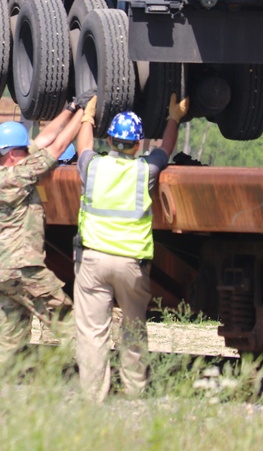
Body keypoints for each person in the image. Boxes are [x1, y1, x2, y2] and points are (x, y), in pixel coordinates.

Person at [0, 99, 86, 395]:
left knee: (8, 338)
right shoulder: (17, 175)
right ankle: (95, 386)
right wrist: (84, 117)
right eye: (23, 150)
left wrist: (69, 108)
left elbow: (43, 140)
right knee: (72, 324)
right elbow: (54, 149)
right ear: (13, 155)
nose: (29, 152)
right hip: (22, 269)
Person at [73, 93, 189, 401]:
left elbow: (82, 146)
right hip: (131, 264)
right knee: (134, 329)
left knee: (92, 332)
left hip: (93, 261)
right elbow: (165, 149)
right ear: (137, 145)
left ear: (110, 140)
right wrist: (174, 118)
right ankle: (135, 391)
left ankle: (93, 397)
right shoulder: (145, 172)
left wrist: (87, 116)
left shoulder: (92, 167)